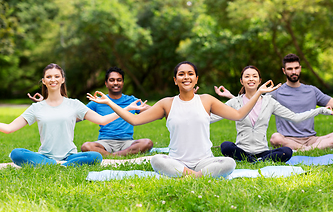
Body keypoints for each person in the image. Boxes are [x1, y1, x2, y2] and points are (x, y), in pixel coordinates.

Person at [87, 61, 281, 178]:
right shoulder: (166, 104)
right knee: (157, 159)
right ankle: (196, 177)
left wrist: (259, 93)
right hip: (177, 161)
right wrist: (109, 102)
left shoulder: (207, 100)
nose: (186, 77)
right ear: (175, 80)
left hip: (205, 161)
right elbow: (134, 120)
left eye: (190, 74)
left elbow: (238, 115)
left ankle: (192, 176)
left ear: (196, 79)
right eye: (181, 74)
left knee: (229, 164)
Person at [216, 54, 333, 151]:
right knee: (275, 138)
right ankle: (305, 150)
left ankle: (304, 150)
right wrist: (231, 97)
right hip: (287, 140)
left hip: (312, 139)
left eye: (296, 68)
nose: (293, 71)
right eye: (290, 69)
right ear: (284, 71)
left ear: (300, 69)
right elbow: (252, 102)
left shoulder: (312, 91)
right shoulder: (276, 92)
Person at [0, 63, 123, 167]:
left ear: (62, 79)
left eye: (56, 76)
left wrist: (126, 109)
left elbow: (102, 120)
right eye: (49, 77)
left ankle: (53, 164)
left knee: (95, 156)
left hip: (70, 157)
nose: (53, 79)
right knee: (16, 153)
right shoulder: (36, 108)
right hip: (45, 155)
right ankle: (57, 164)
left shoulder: (74, 104)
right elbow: (9, 128)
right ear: (44, 81)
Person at [211, 66, 333, 163]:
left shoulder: (269, 102)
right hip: (242, 150)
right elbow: (211, 118)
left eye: (254, 76)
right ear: (241, 81)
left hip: (263, 151)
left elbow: (295, 117)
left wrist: (321, 110)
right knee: (226, 146)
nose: (251, 79)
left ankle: (254, 161)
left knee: (286, 151)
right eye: (247, 76)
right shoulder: (234, 102)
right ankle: (253, 161)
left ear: (259, 81)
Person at [29, 67, 153, 157]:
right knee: (86, 147)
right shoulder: (97, 102)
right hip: (104, 142)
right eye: (112, 80)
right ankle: (118, 156)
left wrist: (145, 108)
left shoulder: (131, 101)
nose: (115, 83)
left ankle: (112, 157)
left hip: (127, 141)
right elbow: (72, 116)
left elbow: (153, 112)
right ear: (106, 83)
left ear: (123, 82)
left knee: (147, 143)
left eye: (119, 80)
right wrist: (47, 103)